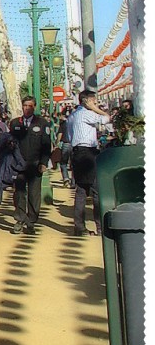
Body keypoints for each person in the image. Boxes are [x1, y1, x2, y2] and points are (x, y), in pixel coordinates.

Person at [66, 90, 112, 237]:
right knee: (96, 190)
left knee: (81, 190)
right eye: (94, 101)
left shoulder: (72, 116)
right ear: (86, 101)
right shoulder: (86, 114)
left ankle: (79, 227)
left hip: (77, 152)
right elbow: (106, 118)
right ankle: (100, 227)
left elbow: (69, 135)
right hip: (87, 152)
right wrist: (94, 109)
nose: (96, 103)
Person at [8, 96, 51, 235]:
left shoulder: (42, 123)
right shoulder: (15, 123)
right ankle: (20, 220)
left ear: (35, 107)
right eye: (25, 105)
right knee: (19, 194)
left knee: (34, 195)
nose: (27, 108)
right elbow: (11, 144)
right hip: (19, 165)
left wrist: (44, 163)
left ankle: (31, 221)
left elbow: (46, 145)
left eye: (30, 106)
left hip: (35, 164)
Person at [55, 104, 73, 187]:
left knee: (63, 163)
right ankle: (73, 182)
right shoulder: (74, 123)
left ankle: (66, 179)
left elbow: (60, 134)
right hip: (74, 144)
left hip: (65, 144)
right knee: (73, 164)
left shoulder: (63, 124)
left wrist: (57, 143)